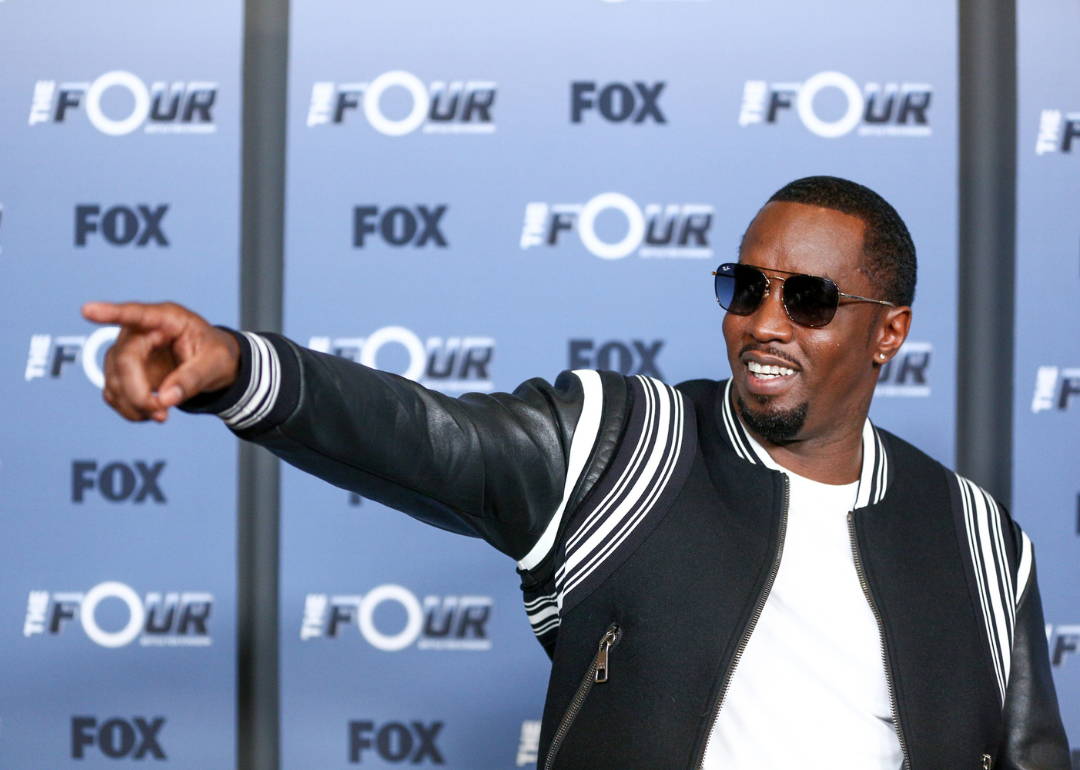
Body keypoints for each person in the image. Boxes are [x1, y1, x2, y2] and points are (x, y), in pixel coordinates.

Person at [83, 176, 1068, 770]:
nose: (764, 321)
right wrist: (240, 367)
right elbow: (428, 438)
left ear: (888, 330)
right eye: (744, 286)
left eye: (807, 297)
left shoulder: (974, 531)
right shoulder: (624, 445)